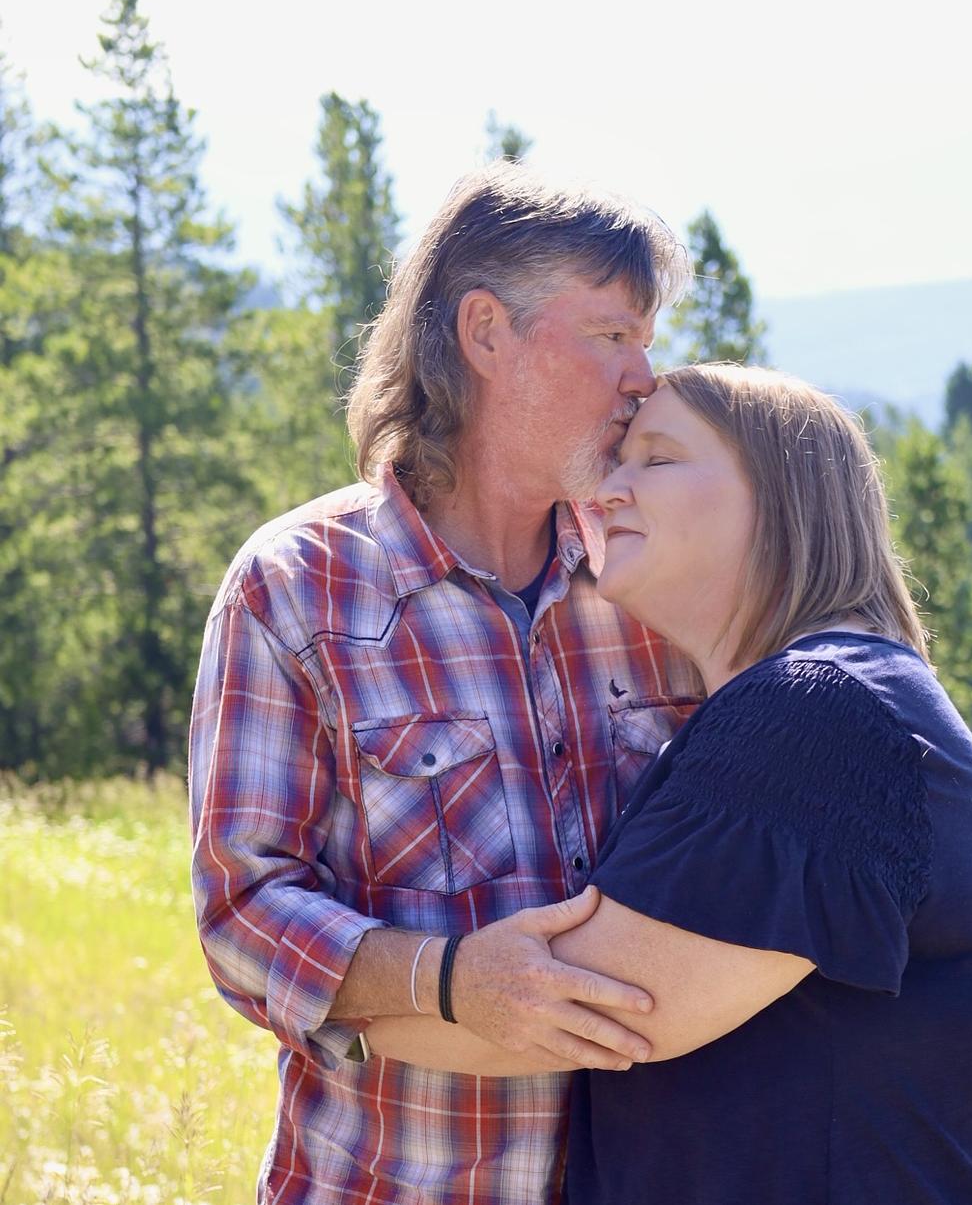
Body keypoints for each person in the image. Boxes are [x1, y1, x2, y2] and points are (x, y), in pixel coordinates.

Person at [188, 164, 703, 1205]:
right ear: (485, 331)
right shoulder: (296, 588)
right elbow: (242, 913)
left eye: (647, 340)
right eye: (611, 334)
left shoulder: (656, 585)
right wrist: (448, 980)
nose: (644, 377)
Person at [365, 365, 972, 1204]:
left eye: (657, 459)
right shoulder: (838, 697)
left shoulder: (813, 712)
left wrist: (338, 1001)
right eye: (617, 463)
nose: (606, 493)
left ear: (783, 499)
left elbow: (584, 1009)